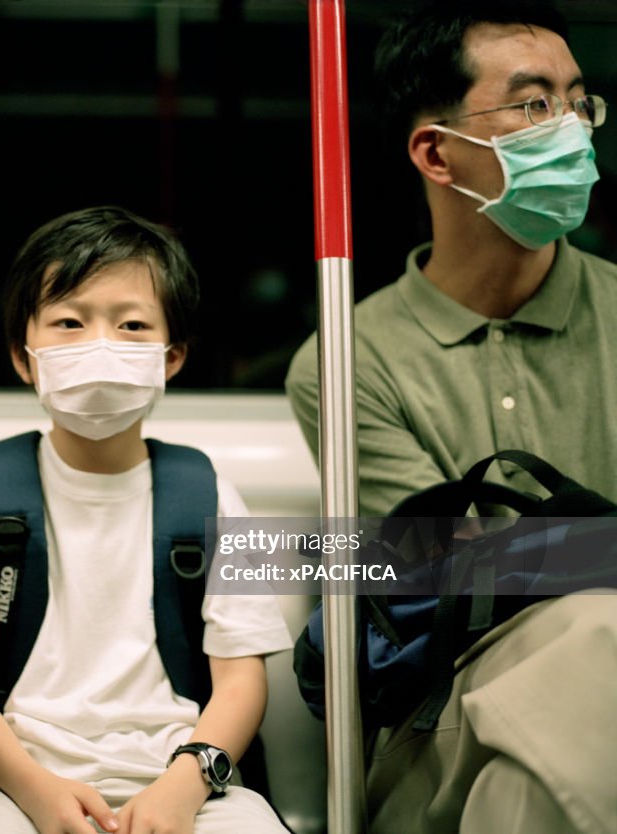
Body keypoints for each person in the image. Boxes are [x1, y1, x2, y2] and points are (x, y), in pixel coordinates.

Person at [286, 2, 617, 833]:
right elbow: (453, 575)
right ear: (439, 153)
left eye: (579, 103)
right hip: (441, 718)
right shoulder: (349, 361)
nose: (570, 129)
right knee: (593, 631)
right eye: (534, 105)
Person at [0, 206, 293, 834]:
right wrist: (39, 793)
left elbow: (242, 678)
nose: (100, 345)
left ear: (171, 358)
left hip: (187, 782)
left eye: (132, 324)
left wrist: (185, 784)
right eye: (69, 321)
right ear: (21, 355)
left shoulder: (211, 494)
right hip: (10, 786)